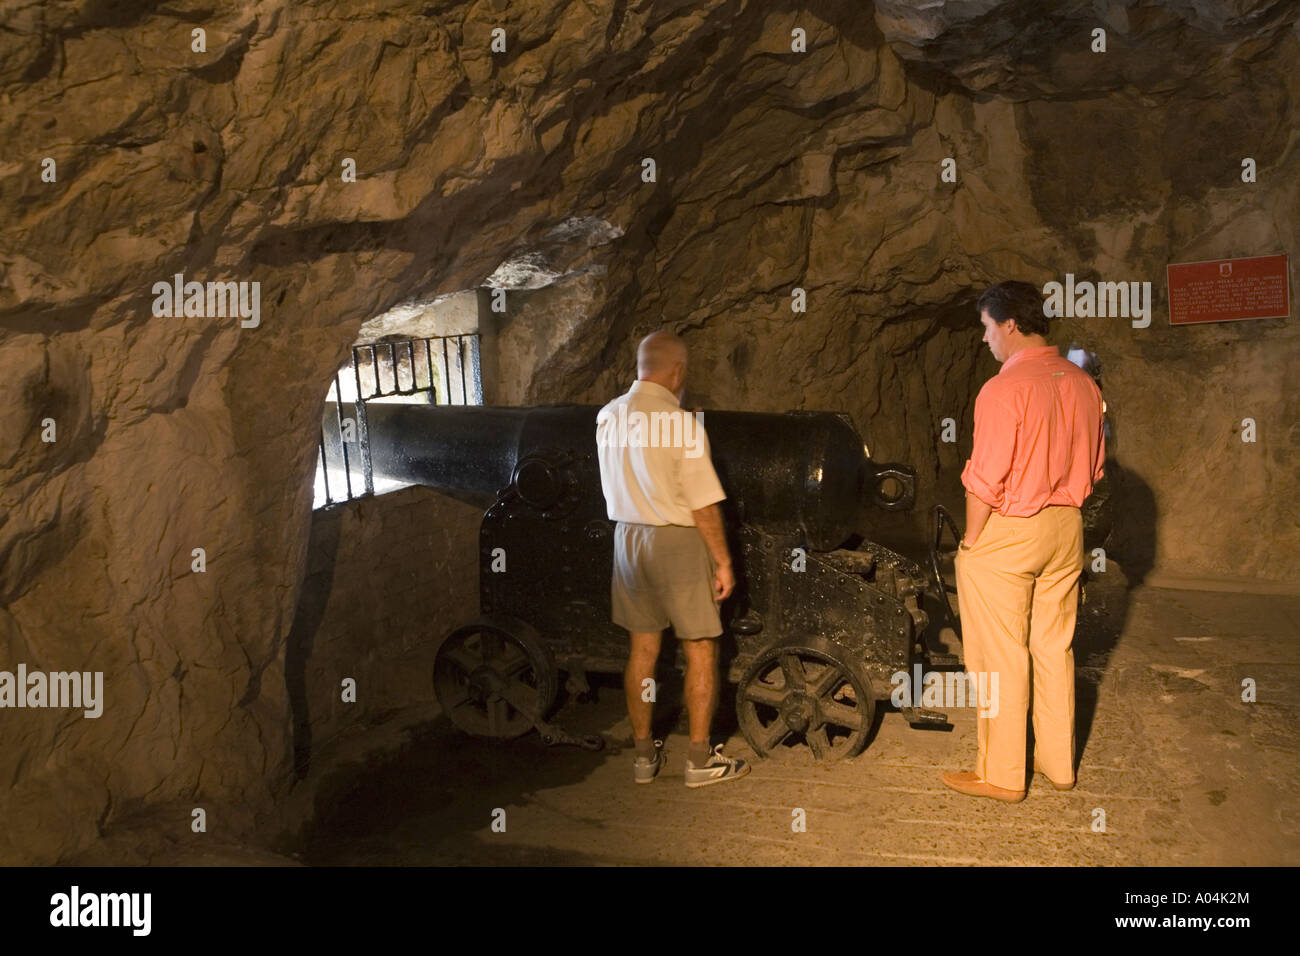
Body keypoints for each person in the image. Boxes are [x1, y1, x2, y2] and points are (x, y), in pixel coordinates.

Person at [943, 281, 1106, 802]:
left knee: (999, 656)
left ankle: (1003, 774)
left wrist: (971, 544)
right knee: (1054, 647)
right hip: (1067, 528)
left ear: (1009, 324)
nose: (985, 340)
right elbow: (1097, 469)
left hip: (1012, 532)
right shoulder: (1084, 384)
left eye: (987, 328)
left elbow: (984, 480)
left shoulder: (1002, 389)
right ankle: (1059, 765)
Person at [595, 331, 750, 788]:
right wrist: (723, 562)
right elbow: (702, 505)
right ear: (678, 371)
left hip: (627, 540)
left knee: (642, 650)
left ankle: (644, 757)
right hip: (677, 542)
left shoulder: (608, 416)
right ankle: (700, 761)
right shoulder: (681, 424)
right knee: (701, 648)